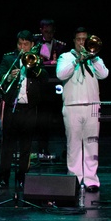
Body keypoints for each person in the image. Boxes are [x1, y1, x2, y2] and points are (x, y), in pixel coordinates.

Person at [56, 27, 108, 193]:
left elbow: (104, 74)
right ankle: (75, 180)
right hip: (72, 107)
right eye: (79, 39)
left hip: (92, 106)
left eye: (84, 39)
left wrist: (94, 59)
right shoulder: (66, 57)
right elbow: (61, 75)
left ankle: (92, 180)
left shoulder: (95, 58)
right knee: (73, 145)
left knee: (92, 144)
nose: (82, 43)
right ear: (74, 41)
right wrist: (77, 60)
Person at [0, 31, 48, 189]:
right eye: (20, 44)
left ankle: (21, 178)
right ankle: (4, 178)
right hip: (12, 107)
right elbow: (0, 78)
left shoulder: (37, 60)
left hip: (29, 108)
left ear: (32, 45)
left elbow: (44, 78)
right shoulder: (8, 58)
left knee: (26, 147)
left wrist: (32, 67)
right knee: (8, 146)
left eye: (26, 44)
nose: (22, 47)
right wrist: (9, 76)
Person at [32, 18, 69, 161]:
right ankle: (37, 149)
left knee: (54, 119)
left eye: (51, 32)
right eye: (46, 31)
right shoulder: (34, 42)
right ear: (41, 30)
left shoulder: (61, 46)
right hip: (38, 86)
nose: (49, 34)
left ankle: (58, 149)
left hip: (54, 87)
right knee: (38, 120)